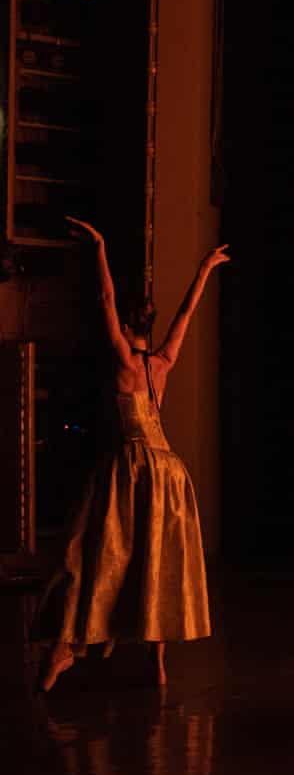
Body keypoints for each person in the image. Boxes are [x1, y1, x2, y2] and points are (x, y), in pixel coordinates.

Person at [35, 217, 229, 690]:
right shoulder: (163, 362)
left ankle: (67, 645)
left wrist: (100, 247)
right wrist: (205, 268)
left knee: (93, 552)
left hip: (134, 466)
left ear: (126, 326)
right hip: (169, 471)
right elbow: (186, 312)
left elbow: (105, 298)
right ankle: (154, 663)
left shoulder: (124, 360)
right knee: (155, 559)